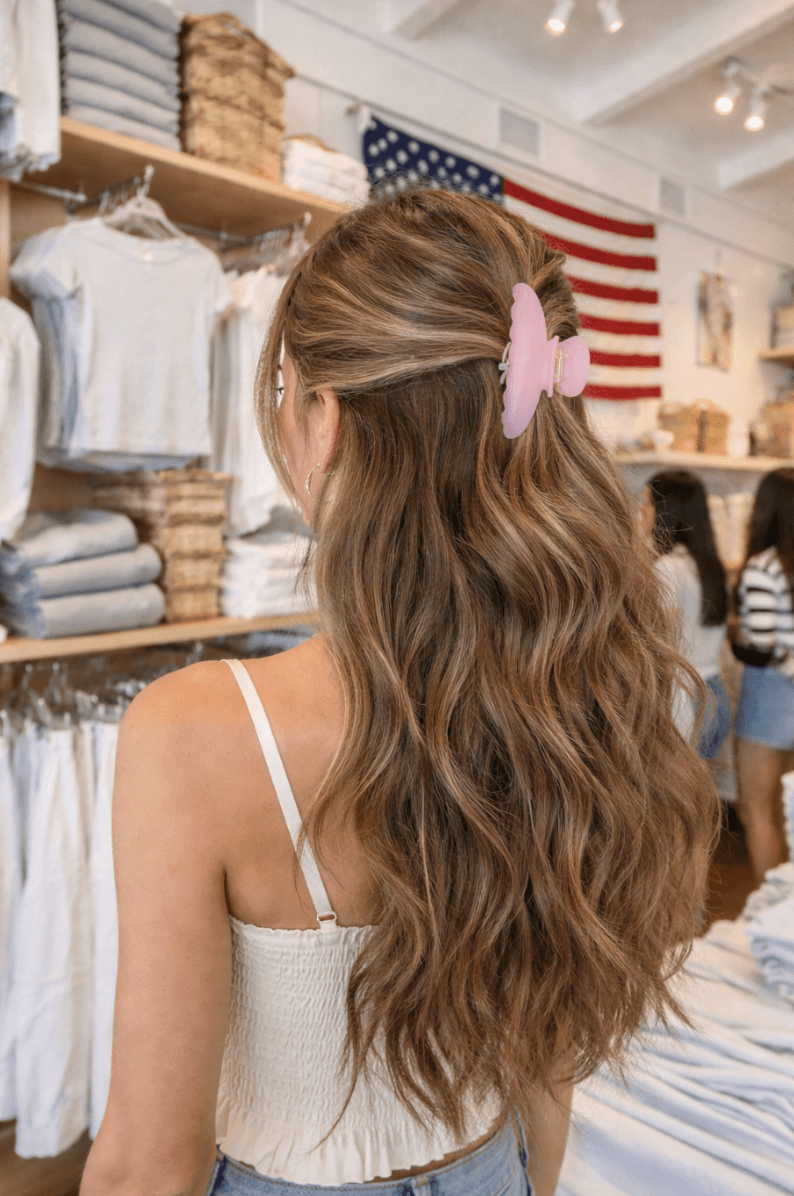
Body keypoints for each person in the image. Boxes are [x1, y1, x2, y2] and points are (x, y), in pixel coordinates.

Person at [79, 188, 718, 1196]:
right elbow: (545, 1061)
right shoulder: (580, 682)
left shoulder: (197, 729)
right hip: (496, 1165)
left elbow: (144, 1161)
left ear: (321, 418)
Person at [641, 470, 730, 759]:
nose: (641, 513)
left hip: (683, 697)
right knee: (700, 794)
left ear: (666, 512)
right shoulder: (710, 567)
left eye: (647, 504)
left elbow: (654, 638)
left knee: (672, 799)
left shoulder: (668, 568)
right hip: (715, 692)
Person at [732, 467, 794, 883]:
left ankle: (766, 912)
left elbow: (765, 647)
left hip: (772, 695)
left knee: (756, 809)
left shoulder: (762, 567)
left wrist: (735, 630)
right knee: (787, 805)